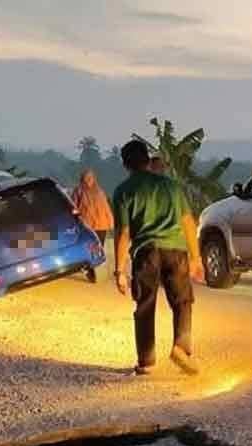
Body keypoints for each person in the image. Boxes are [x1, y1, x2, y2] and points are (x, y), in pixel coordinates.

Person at [112, 140, 205, 376]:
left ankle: (146, 361)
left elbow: (123, 233)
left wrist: (119, 270)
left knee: (145, 306)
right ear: (147, 159)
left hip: (146, 252)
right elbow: (187, 222)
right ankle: (181, 347)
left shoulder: (123, 191)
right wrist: (196, 257)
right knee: (182, 302)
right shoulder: (172, 186)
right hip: (176, 250)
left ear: (125, 164)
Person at [71, 169, 114, 282]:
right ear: (82, 179)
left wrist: (110, 222)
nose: (88, 180)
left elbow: (105, 208)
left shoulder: (100, 191)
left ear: (94, 179)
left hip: (101, 225)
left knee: (98, 250)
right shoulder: (78, 191)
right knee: (89, 249)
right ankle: (92, 272)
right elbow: (73, 207)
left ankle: (95, 272)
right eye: (86, 178)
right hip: (88, 226)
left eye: (90, 178)